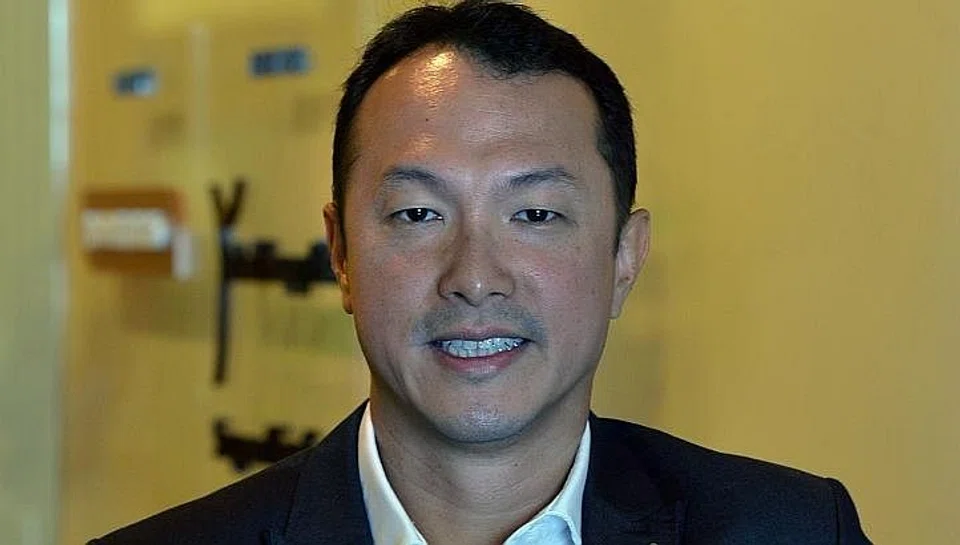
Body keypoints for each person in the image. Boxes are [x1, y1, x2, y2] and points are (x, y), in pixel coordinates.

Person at [91, 1, 871, 544]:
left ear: (625, 258)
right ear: (341, 255)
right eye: (417, 213)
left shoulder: (796, 530)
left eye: (535, 214)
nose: (473, 276)